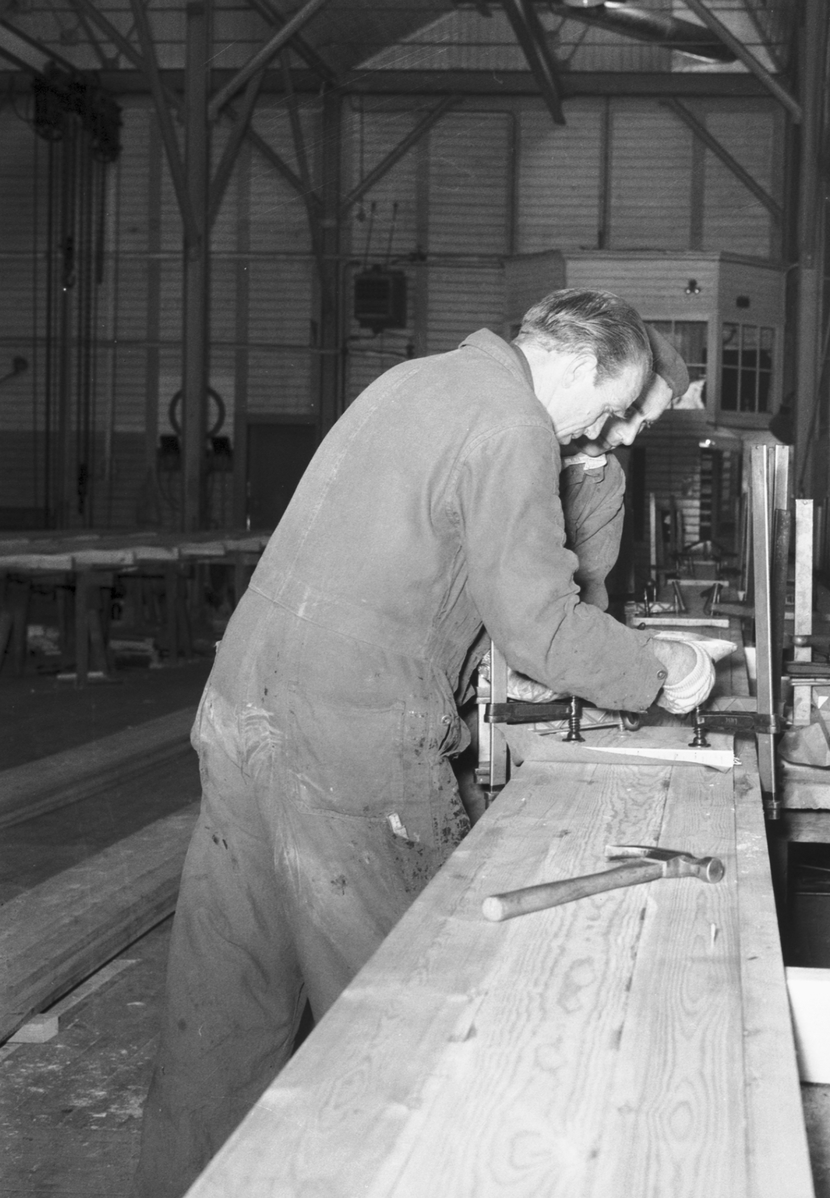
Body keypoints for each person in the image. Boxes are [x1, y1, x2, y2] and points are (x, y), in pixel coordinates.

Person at [133, 289, 715, 1198]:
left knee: (226, 1008)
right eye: (606, 410)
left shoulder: (414, 381)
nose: (599, 433)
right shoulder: (513, 424)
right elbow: (541, 627)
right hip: (352, 735)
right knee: (410, 1009)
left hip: (241, 707)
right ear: (572, 365)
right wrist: (658, 667)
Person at [560, 326, 691, 613]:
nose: (629, 438)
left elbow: (590, 593)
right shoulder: (517, 443)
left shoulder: (607, 478)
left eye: (645, 424)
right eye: (628, 412)